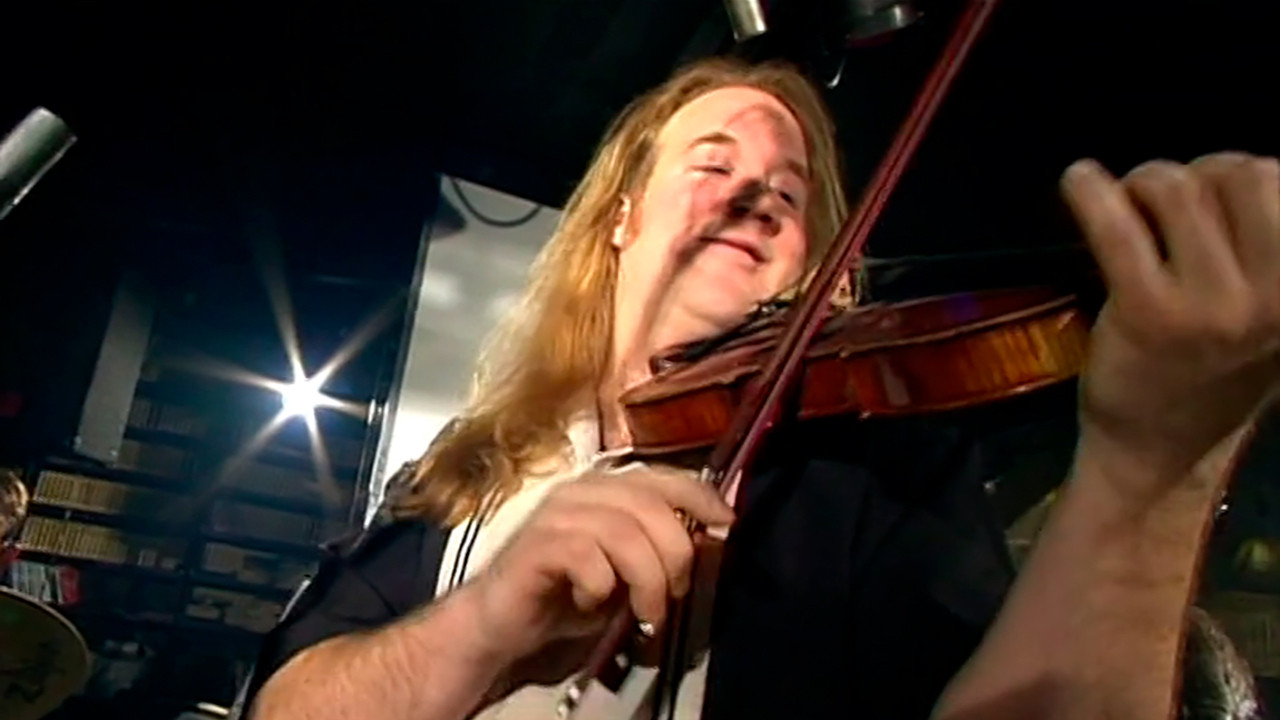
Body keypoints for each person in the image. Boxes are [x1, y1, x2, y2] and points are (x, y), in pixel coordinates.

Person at [241, 57, 1279, 720]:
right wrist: (481, 628)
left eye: (789, 192)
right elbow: (286, 705)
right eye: (713, 163)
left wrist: (1154, 468)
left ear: (811, 266)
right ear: (621, 217)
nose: (753, 194)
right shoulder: (468, 473)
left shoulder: (867, 471)